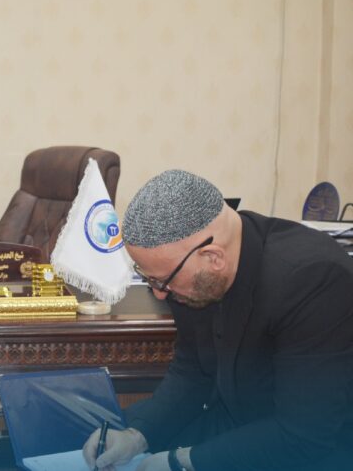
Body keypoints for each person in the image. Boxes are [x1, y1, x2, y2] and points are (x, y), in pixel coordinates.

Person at [83, 170, 353, 471]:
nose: (159, 294)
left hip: (317, 450)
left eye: (162, 281)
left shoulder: (313, 279)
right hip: (237, 426)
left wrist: (181, 462)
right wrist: (137, 434)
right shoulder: (192, 275)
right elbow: (192, 370)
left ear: (213, 257)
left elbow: (304, 435)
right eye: (149, 280)